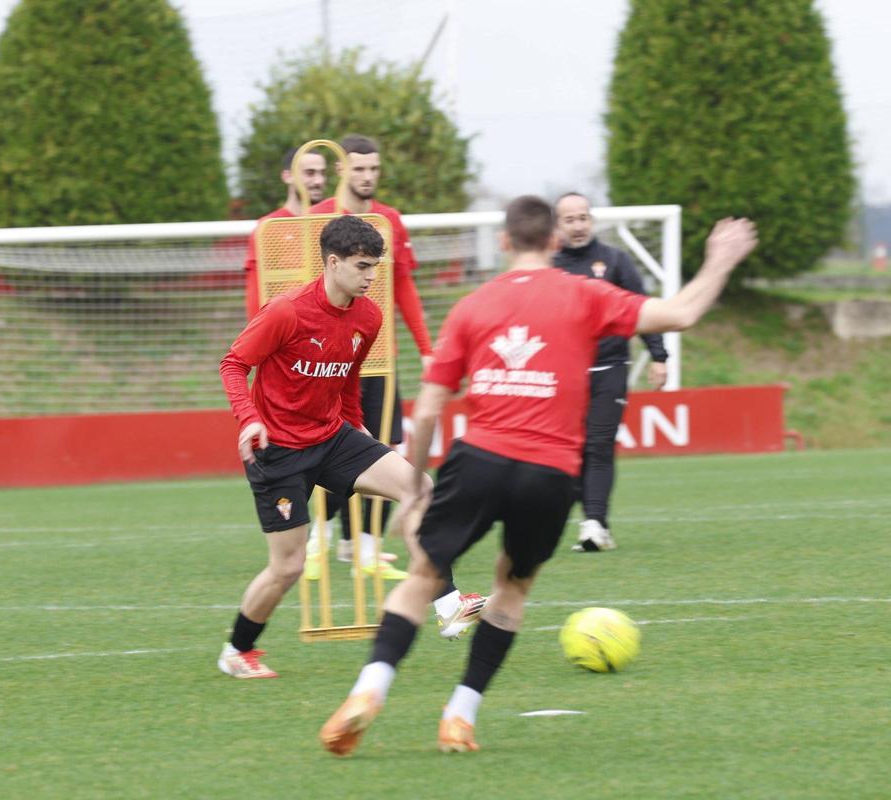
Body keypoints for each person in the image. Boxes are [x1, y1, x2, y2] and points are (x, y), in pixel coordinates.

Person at [318, 196, 757, 754]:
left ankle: (370, 687)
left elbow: (428, 408)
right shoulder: (587, 293)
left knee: (424, 573)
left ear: (504, 242)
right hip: (549, 470)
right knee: (513, 584)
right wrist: (720, 259)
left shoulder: (473, 306)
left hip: (478, 458)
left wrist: (413, 487)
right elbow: (681, 314)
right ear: (554, 242)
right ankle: (461, 713)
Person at [217, 214, 434, 679]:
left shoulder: (369, 316)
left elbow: (349, 379)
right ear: (332, 263)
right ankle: (237, 650)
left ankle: (447, 601)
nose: (371, 277)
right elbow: (234, 365)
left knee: (420, 486)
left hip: (333, 439)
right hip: (277, 450)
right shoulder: (287, 311)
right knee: (288, 568)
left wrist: (359, 432)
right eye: (361, 266)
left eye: (376, 266)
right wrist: (249, 419)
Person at [310, 134, 486, 636]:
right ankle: (319, 543)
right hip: (314, 373)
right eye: (359, 168)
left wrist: (428, 347)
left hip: (372, 360)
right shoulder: (317, 219)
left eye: (374, 168)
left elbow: (403, 284)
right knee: (288, 548)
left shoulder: (388, 221)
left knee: (392, 462)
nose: (367, 176)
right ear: (344, 170)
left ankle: (380, 558)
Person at [553, 192, 670, 552]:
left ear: (592, 220)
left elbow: (642, 310)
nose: (578, 225)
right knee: (569, 452)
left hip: (610, 367)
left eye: (583, 217)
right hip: (565, 373)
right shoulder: (549, 267)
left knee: (599, 445)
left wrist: (658, 355)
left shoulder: (616, 261)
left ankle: (595, 525)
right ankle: (576, 520)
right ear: (558, 225)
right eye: (570, 219)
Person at [242, 147, 329, 320]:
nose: (318, 180)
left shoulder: (331, 224)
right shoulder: (269, 228)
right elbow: (256, 294)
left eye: (322, 173)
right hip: (287, 331)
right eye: (310, 173)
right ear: (287, 176)